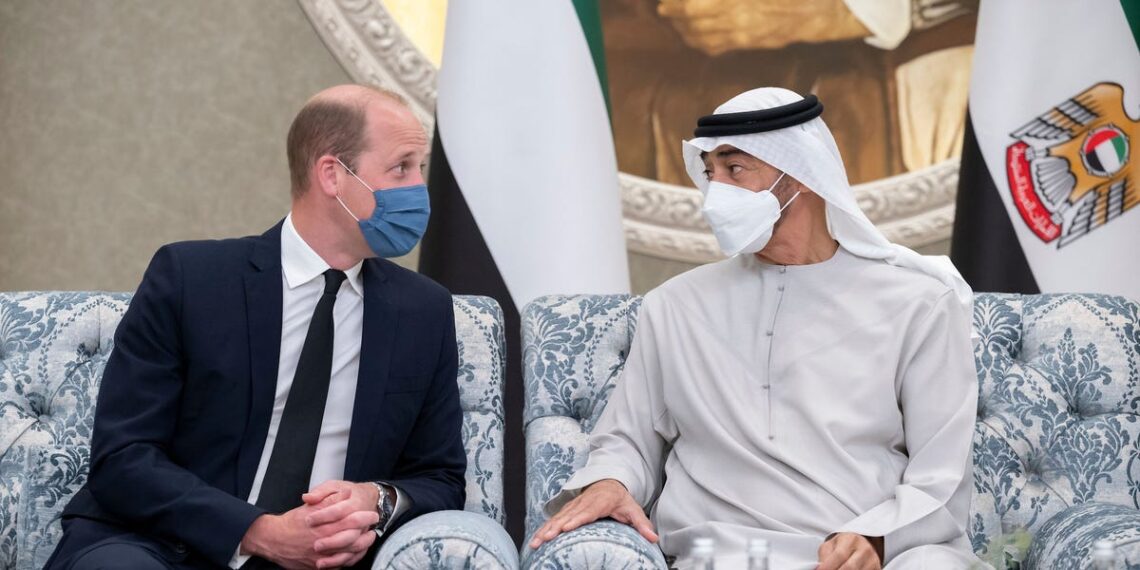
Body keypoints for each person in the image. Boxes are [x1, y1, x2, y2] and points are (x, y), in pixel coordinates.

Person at [531, 88, 986, 569]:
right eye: (710, 174)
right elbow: (626, 439)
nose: (716, 193)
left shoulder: (918, 304)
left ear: (800, 174)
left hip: (867, 551)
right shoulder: (674, 305)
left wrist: (878, 538)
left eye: (735, 170)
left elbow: (942, 475)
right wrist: (609, 482)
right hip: (724, 555)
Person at [45, 84, 466, 570]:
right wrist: (259, 532)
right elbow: (124, 459)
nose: (418, 188)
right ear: (333, 175)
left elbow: (440, 476)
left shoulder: (423, 311)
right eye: (402, 167)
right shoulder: (191, 278)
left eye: (420, 168)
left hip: (327, 562)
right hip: (161, 546)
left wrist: (378, 498)